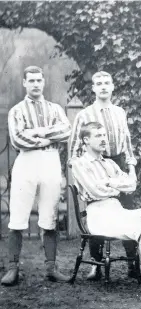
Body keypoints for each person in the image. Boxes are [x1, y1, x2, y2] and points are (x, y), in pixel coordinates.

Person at [71, 122, 141, 298]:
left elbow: (131, 185)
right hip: (98, 214)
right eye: (98, 136)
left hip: (116, 208)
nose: (103, 139)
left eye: (104, 135)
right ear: (86, 140)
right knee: (139, 229)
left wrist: (110, 183)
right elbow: (95, 191)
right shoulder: (79, 164)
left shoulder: (109, 164)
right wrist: (116, 186)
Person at [2, 66, 71, 286]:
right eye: (31, 80)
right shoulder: (17, 110)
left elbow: (66, 131)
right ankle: (12, 269)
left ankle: (51, 268)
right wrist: (46, 137)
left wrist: (38, 133)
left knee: (49, 217)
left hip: (50, 160)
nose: (35, 84)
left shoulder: (55, 109)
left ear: (44, 82)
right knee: (18, 217)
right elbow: (17, 139)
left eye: (39, 80)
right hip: (27, 161)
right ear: (24, 83)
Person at [68, 71, 141, 280]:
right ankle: (96, 265)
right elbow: (74, 149)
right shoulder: (84, 115)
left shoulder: (120, 112)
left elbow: (126, 142)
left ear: (112, 86)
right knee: (98, 211)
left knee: (127, 211)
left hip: (116, 163)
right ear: (93, 88)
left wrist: (130, 166)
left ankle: (132, 264)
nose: (102, 87)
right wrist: (82, 172)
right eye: (98, 83)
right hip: (94, 165)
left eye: (106, 83)